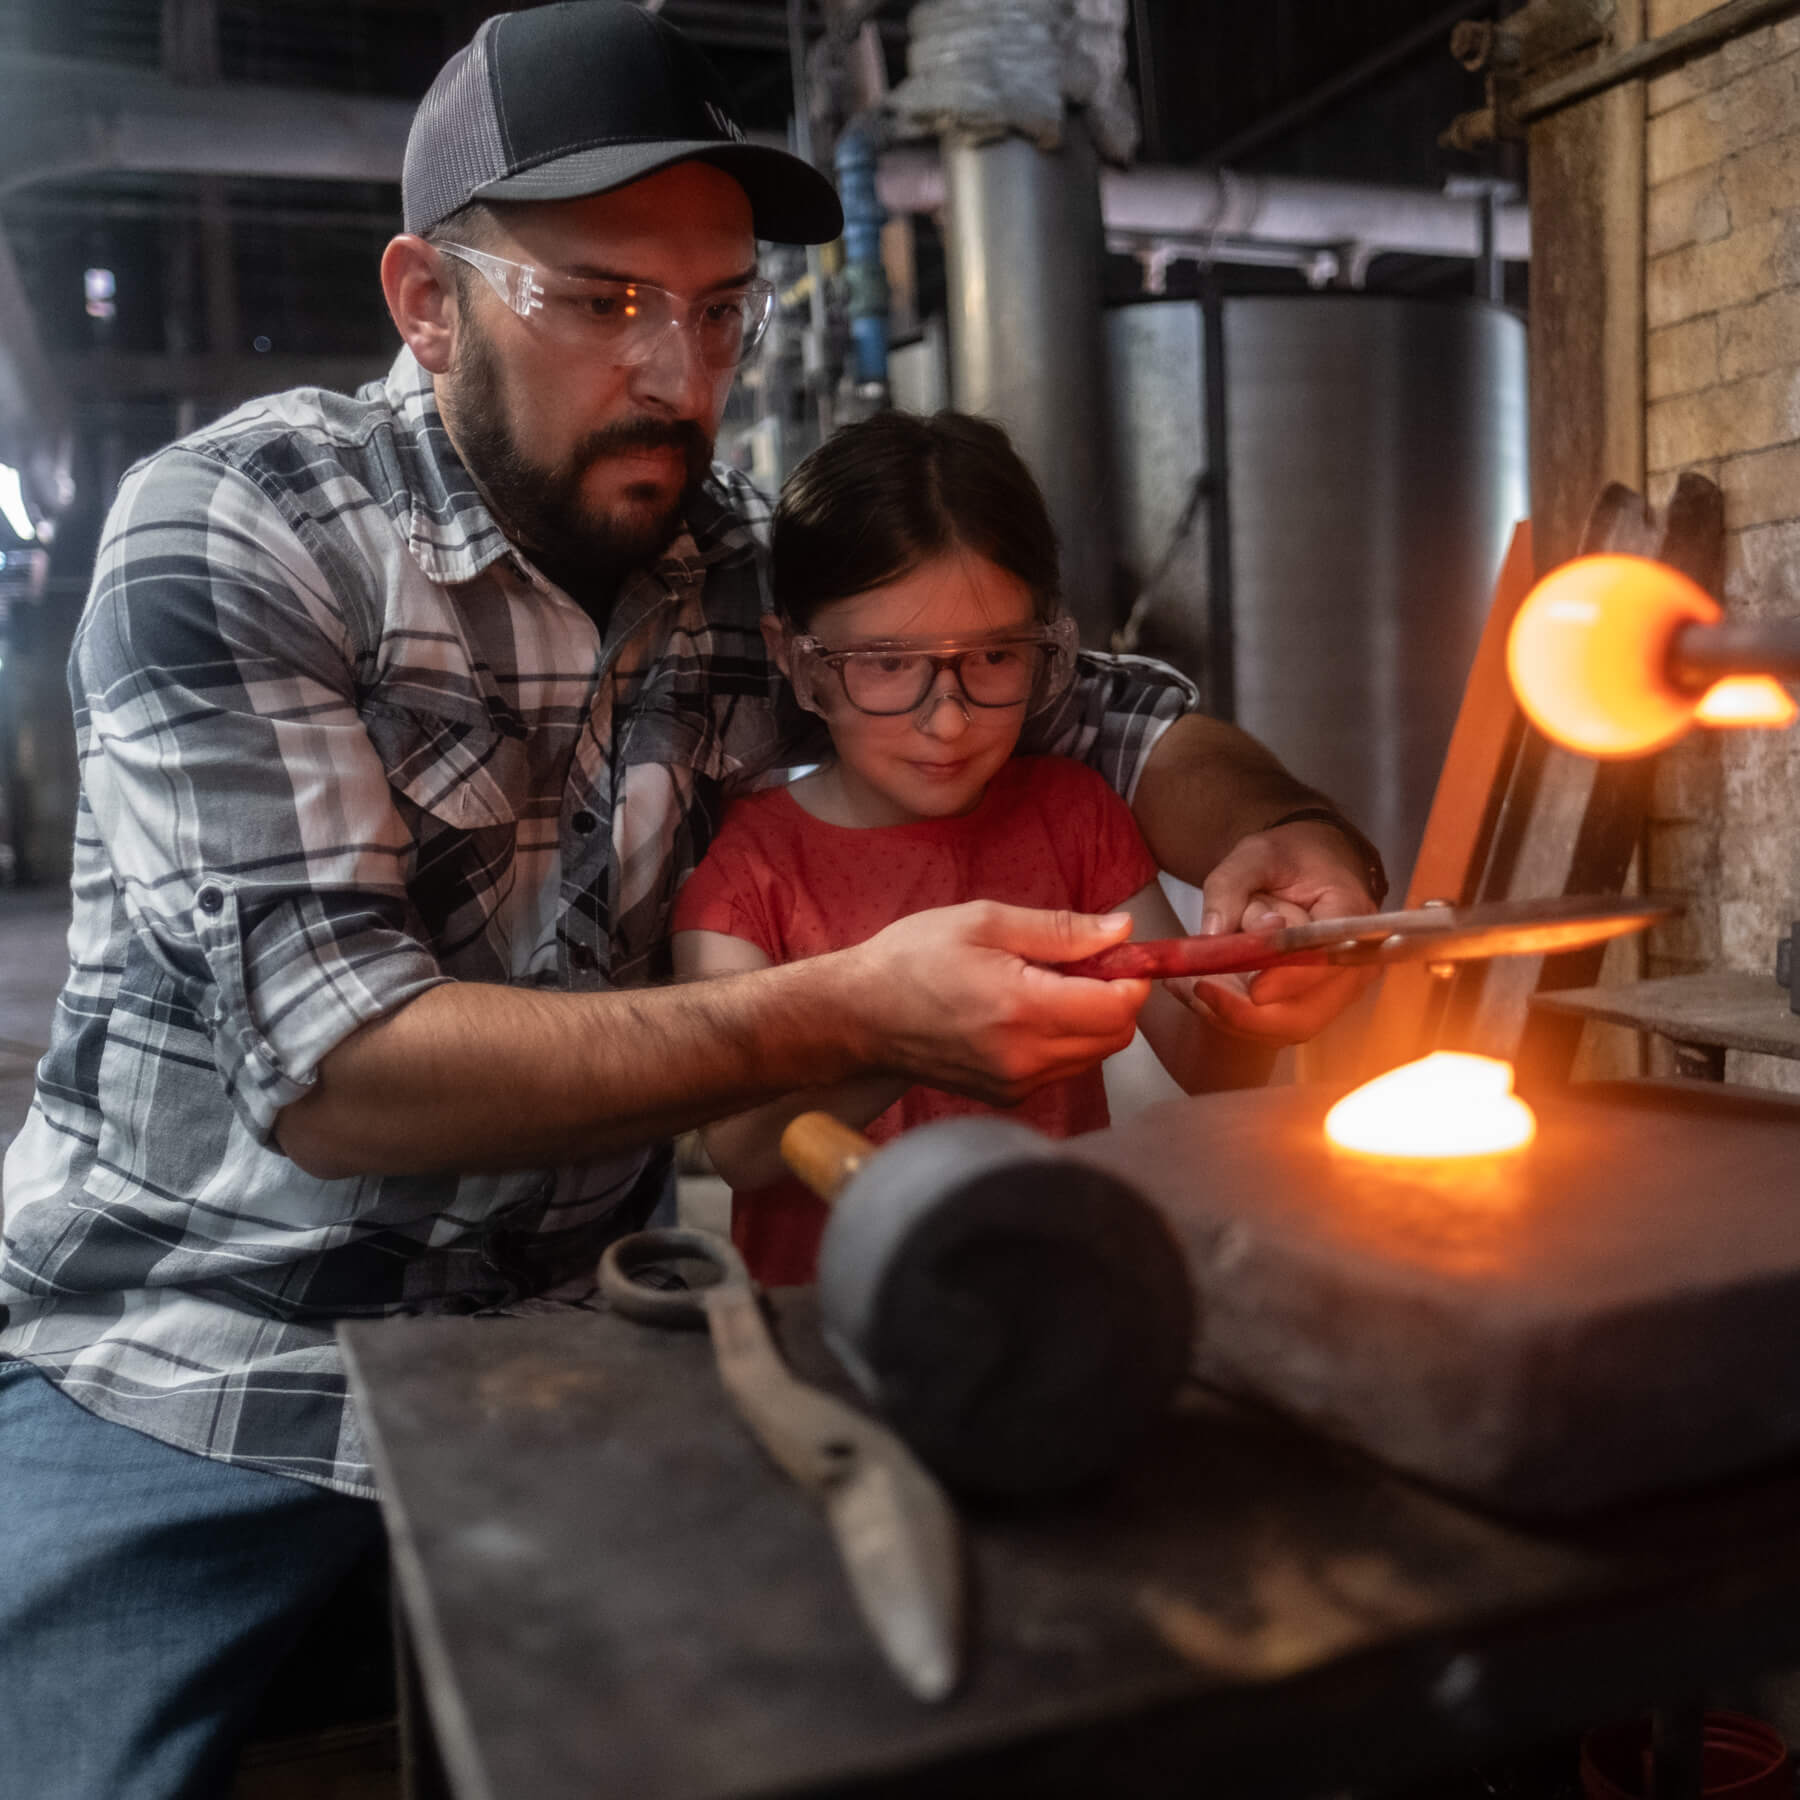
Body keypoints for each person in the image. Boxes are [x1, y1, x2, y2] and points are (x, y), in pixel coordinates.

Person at [0, 3, 1384, 1794]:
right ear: (428, 302)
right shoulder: (239, 531)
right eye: (603, 302)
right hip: (198, 1365)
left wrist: (1283, 831)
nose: (679, 369)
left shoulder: (729, 568)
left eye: (717, 308)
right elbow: (335, 1071)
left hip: (596, 1339)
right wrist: (847, 1011)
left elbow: (1110, 714)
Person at [674, 410, 1296, 1282]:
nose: (949, 719)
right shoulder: (747, 873)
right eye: (888, 664)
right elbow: (742, 1144)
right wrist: (902, 1037)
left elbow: (1209, 1066)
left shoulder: (1073, 819)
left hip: (1054, 1297)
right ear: (801, 661)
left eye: (996, 658)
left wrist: (1260, 981)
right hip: (827, 1330)